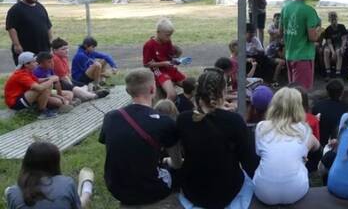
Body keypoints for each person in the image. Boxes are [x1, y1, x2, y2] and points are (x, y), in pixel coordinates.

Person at [176, 68, 257, 208]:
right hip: (227, 190)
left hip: (193, 190)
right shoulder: (234, 121)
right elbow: (249, 161)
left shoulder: (183, 119)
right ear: (223, 92)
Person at [99, 68, 181, 206]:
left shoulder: (110, 117)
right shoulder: (164, 121)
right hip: (152, 189)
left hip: (117, 188)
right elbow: (177, 163)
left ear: (127, 91)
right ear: (152, 89)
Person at [253, 87, 320, 205]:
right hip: (296, 191)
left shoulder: (261, 127)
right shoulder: (303, 128)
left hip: (263, 193)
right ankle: (314, 176)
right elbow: (317, 147)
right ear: (298, 107)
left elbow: (259, 154)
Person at [5, 141, 94, 209]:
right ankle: (87, 188)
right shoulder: (67, 183)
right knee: (80, 199)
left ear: (26, 162)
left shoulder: (12, 192)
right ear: (55, 163)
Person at [280, 0, 322, 90]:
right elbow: (312, 37)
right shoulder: (309, 10)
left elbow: (281, 32)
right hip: (303, 56)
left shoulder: (285, 9)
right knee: (301, 94)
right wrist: (320, 30)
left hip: (290, 55)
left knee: (292, 92)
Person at [5, 52, 64, 119]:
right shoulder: (21, 75)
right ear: (26, 64)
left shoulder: (27, 71)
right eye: (34, 62)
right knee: (45, 86)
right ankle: (42, 111)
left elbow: (37, 80)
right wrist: (52, 80)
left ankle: (43, 109)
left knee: (47, 84)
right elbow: (39, 88)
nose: (37, 63)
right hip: (15, 103)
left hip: (22, 97)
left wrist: (48, 78)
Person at [6, 0, 52, 65]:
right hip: (26, 47)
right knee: (27, 71)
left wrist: (50, 40)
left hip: (43, 46)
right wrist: (17, 44)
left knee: (43, 70)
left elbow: (47, 24)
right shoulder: (15, 9)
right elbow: (11, 28)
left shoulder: (40, 6)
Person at [142, 18, 186, 101]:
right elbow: (146, 64)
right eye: (167, 35)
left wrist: (176, 58)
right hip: (159, 71)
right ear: (158, 32)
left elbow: (170, 57)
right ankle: (164, 110)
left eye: (170, 35)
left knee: (190, 86)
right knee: (172, 95)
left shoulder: (167, 41)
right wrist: (164, 63)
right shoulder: (149, 45)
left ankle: (183, 106)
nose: (169, 37)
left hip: (170, 68)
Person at [312, 79, 348, 146]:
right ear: (342, 92)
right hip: (339, 145)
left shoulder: (317, 106)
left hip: (320, 144)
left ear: (327, 92)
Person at [321, 11, 348, 79]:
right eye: (332, 19)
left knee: (339, 51)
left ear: (337, 19)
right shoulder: (328, 29)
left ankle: (338, 73)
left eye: (335, 19)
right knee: (326, 51)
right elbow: (329, 42)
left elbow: (344, 39)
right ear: (329, 20)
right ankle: (328, 72)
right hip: (330, 45)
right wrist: (333, 52)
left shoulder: (341, 27)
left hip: (339, 44)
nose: (333, 21)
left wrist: (342, 47)